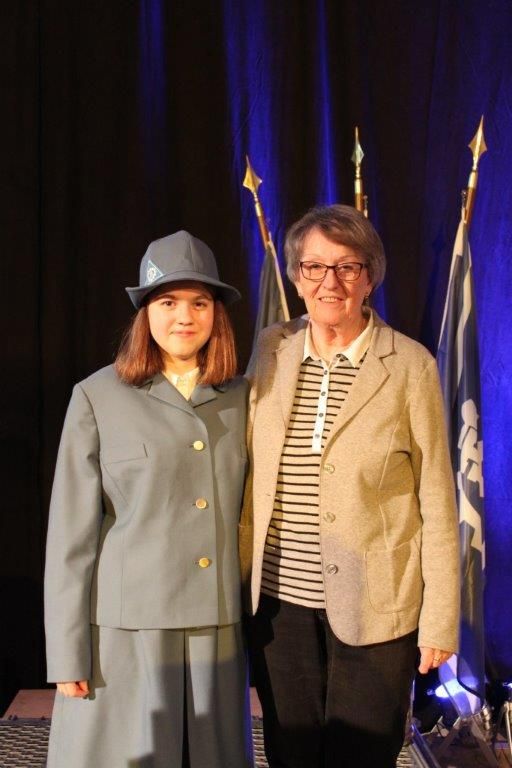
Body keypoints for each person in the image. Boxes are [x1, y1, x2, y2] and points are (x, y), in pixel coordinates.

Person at [240, 205, 460, 768]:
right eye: (314, 267)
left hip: (377, 606)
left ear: (369, 277)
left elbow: (437, 499)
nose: (329, 282)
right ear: (296, 277)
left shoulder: (410, 365)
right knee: (291, 752)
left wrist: (439, 618)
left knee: (360, 756)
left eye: (347, 267)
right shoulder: (271, 348)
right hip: (279, 607)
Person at [45, 231, 253, 768]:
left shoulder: (244, 397)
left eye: (199, 303)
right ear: (145, 313)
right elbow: (71, 537)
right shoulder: (98, 396)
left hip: (215, 629)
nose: (184, 317)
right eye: (167, 302)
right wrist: (67, 651)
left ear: (216, 313)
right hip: (126, 631)